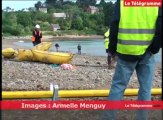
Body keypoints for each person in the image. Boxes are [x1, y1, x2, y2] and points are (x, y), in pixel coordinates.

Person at [101, 0, 162, 120]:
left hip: (125, 51)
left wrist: (112, 49)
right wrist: (155, 47)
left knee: (118, 87)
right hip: (147, 51)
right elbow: (160, 24)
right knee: (145, 89)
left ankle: (108, 117)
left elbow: (114, 23)